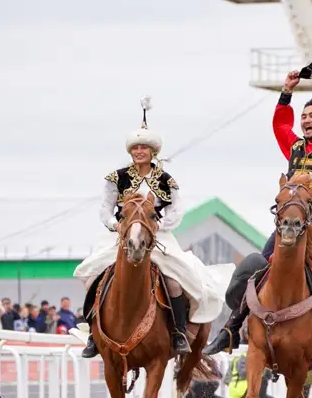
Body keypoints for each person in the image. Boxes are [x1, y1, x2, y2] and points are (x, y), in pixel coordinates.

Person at [202, 70, 312, 381]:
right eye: (303, 116)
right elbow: (280, 125)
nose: (306, 120)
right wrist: (286, 93)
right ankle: (231, 330)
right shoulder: (294, 147)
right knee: (259, 269)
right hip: (287, 228)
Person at [74, 97, 233, 357]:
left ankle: (180, 333)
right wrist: (116, 225)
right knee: (93, 277)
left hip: (157, 236)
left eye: (144, 148)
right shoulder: (117, 177)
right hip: (120, 236)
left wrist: (158, 227)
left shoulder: (165, 179)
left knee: (176, 281)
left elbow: (175, 210)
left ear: (152, 152)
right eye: (135, 148)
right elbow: (104, 208)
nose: (139, 152)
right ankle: (93, 335)